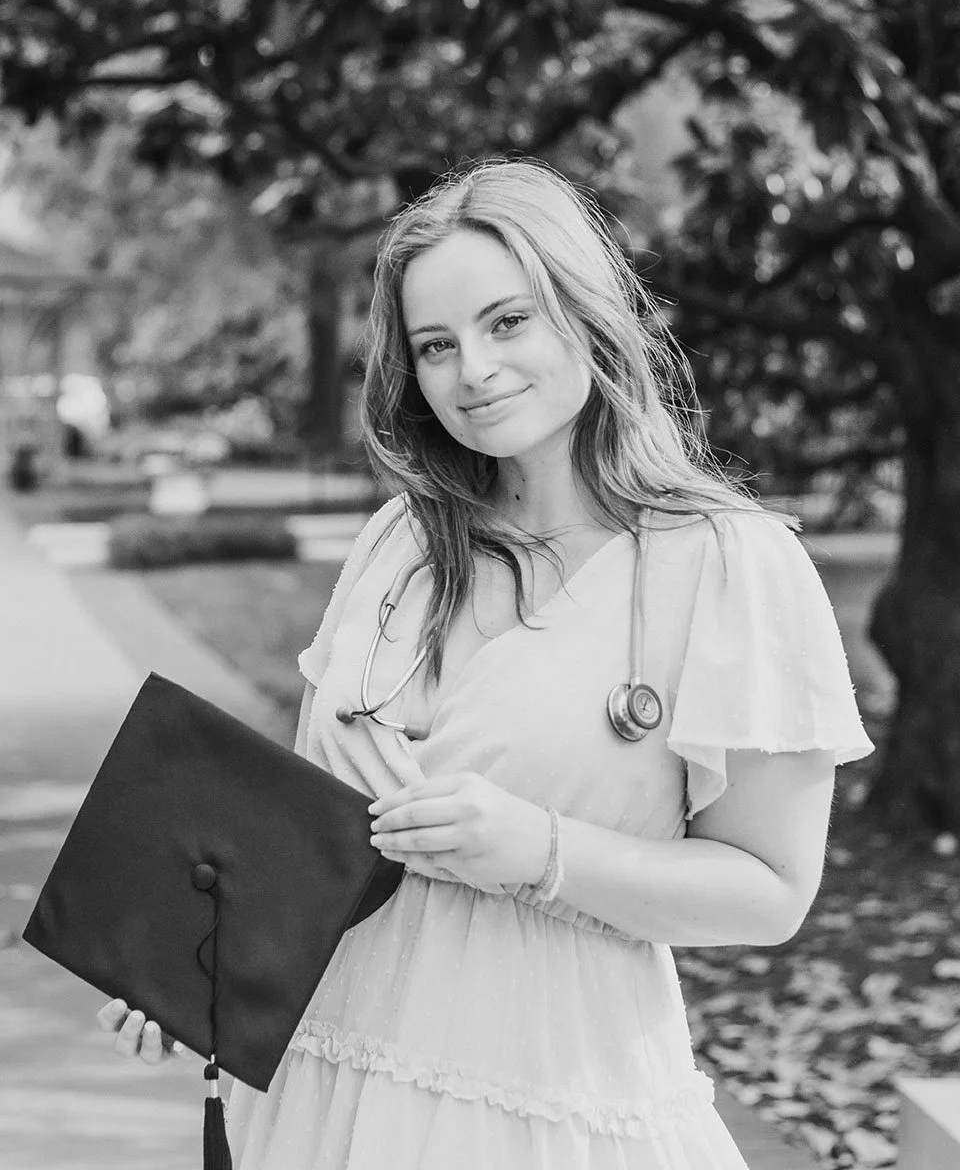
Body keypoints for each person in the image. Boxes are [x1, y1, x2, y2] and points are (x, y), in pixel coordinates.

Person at [98, 158, 875, 1167]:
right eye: (435, 345)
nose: (473, 369)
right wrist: (196, 966)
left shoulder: (726, 565)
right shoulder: (399, 544)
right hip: (323, 1091)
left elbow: (772, 889)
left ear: (585, 312)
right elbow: (310, 833)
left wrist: (542, 852)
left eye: (508, 322)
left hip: (544, 1100)